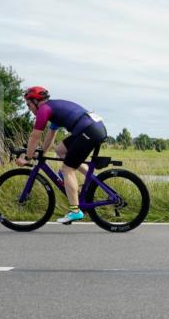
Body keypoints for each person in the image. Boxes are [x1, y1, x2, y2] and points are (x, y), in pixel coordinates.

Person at [17, 86, 107, 224]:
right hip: (92, 128)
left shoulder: (44, 110)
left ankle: (75, 211)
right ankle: (91, 177)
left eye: (28, 104)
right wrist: (42, 152)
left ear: (35, 101)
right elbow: (50, 134)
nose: (28, 108)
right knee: (60, 150)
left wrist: (27, 157)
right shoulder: (52, 108)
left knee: (67, 169)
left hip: (89, 130)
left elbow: (34, 136)